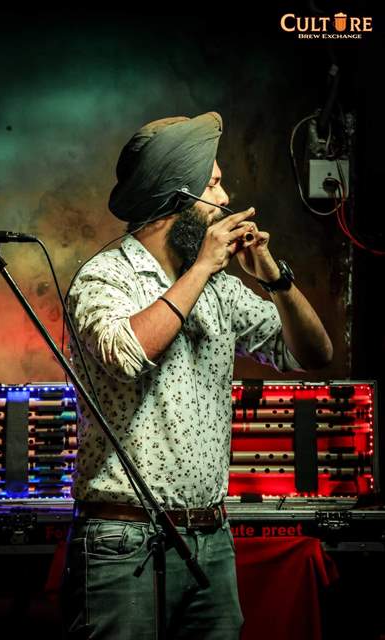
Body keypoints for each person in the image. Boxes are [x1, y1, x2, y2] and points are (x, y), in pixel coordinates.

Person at [61, 111, 333, 639]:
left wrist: (274, 278)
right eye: (213, 183)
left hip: (211, 538)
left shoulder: (218, 287)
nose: (226, 197)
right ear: (177, 195)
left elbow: (312, 354)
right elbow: (127, 353)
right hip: (122, 542)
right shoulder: (104, 277)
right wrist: (204, 267)